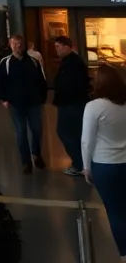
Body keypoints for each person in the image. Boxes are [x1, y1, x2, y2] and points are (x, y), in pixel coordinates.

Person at [83, 66, 126, 258]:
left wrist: (86, 167)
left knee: (116, 211)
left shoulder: (94, 107)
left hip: (105, 165)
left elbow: (87, 141)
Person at [0, 34, 48, 173]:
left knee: (37, 129)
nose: (18, 47)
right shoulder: (5, 63)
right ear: (11, 45)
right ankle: (26, 161)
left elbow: (41, 81)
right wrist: (4, 99)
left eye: (20, 44)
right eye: (15, 44)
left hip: (33, 102)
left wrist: (42, 98)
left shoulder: (33, 62)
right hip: (16, 104)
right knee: (21, 131)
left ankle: (36, 153)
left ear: (24, 45)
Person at [53, 35, 90, 177]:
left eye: (58, 46)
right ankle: (80, 163)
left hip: (71, 105)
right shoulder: (70, 61)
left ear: (66, 46)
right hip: (70, 104)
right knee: (71, 133)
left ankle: (79, 164)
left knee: (68, 133)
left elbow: (71, 85)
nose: (56, 50)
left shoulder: (73, 63)